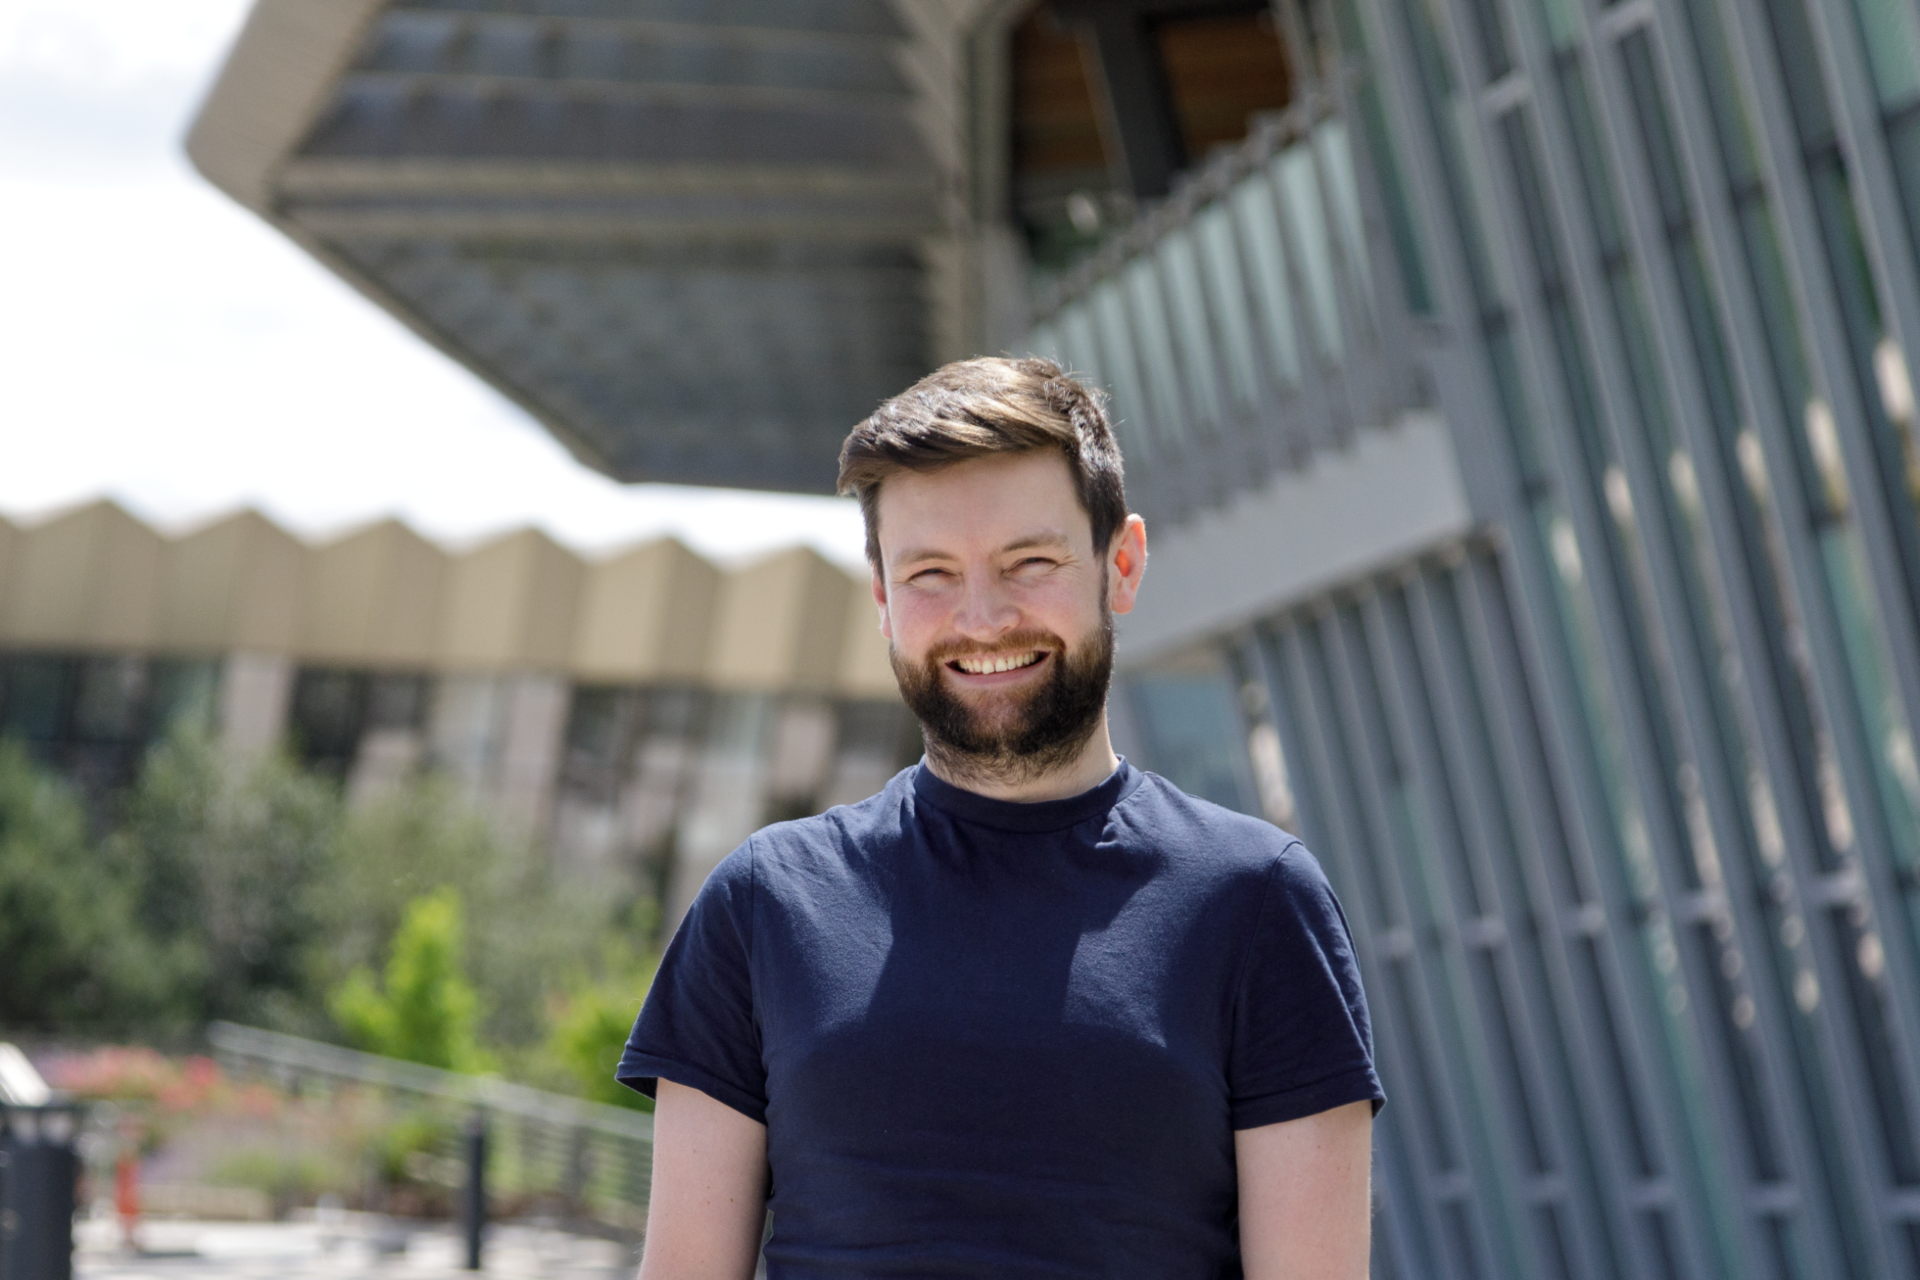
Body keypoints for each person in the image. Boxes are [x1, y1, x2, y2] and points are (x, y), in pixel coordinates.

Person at [619, 357, 1383, 1278]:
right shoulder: (764, 904)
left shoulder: (1257, 903)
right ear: (881, 598)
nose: (982, 618)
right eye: (931, 573)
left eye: (1030, 562)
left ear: (1122, 563)